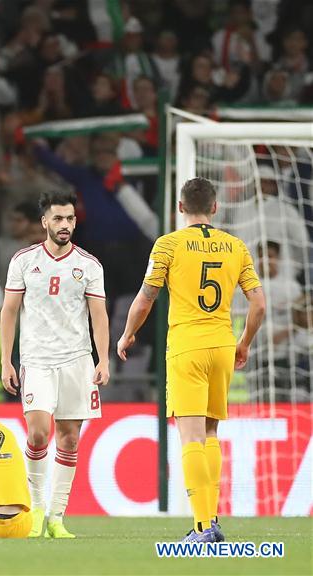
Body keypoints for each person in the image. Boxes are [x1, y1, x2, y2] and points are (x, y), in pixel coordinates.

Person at [117, 177, 265, 543]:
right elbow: (259, 303)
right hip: (222, 347)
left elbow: (146, 297)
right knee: (212, 433)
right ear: (215, 208)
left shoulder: (169, 244)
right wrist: (243, 342)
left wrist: (128, 332)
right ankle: (210, 519)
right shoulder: (235, 246)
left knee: (190, 439)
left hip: (186, 347)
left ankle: (202, 527)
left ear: (180, 208)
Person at [0, 189, 110, 538]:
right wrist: (7, 361)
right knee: (37, 433)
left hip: (77, 360)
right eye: (58, 218)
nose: (65, 225)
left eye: (70, 219)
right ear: (44, 221)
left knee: (70, 440)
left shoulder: (89, 265)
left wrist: (103, 359)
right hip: (37, 360)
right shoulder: (23, 261)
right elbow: (9, 311)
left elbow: (99, 315)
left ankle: (57, 518)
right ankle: (36, 509)